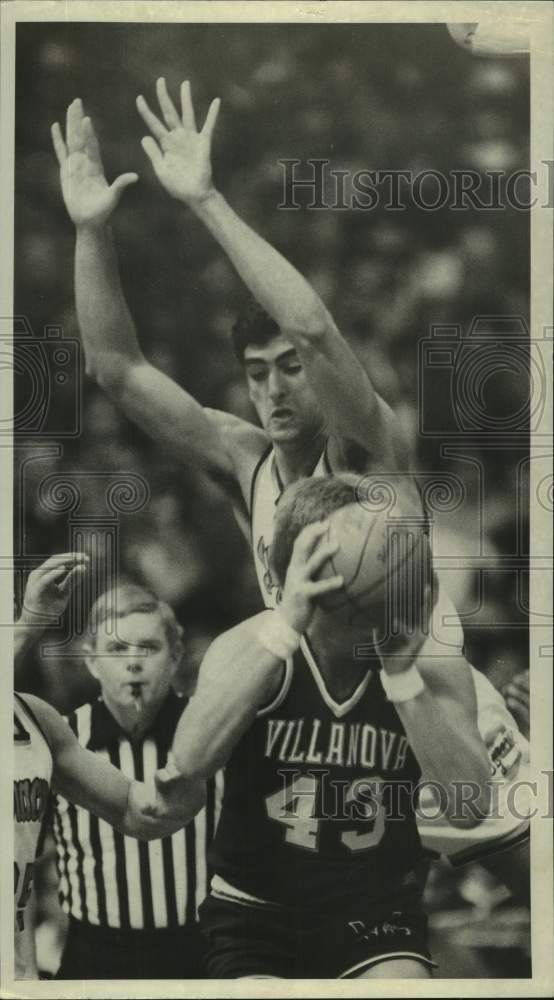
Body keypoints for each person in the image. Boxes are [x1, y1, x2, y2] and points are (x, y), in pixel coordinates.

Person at [50, 84, 530, 894]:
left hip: (429, 701)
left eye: (289, 372)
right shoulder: (247, 461)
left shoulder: (372, 449)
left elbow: (311, 325)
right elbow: (118, 370)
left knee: (537, 892)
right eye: (256, 375)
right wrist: (93, 231)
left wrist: (204, 201)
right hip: (328, 730)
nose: (272, 391)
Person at [163, 474, 493, 979]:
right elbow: (189, 762)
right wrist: (285, 626)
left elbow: (469, 809)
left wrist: (403, 681)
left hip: (375, 915)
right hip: (256, 913)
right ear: (304, 564)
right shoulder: (251, 647)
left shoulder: (434, 666)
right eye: (375, 548)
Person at [14, 553, 204, 981]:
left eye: (148, 648)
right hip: (96, 950)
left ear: (176, 656)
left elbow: (138, 812)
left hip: (196, 946)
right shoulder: (63, 733)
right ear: (90, 660)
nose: (133, 662)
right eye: (117, 648)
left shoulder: (209, 733)